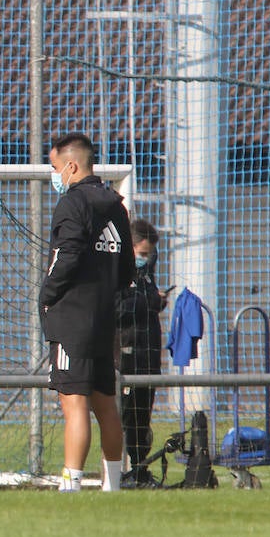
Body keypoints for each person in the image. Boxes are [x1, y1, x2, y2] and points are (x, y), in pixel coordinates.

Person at [40, 133, 134, 492]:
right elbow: (127, 269)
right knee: (105, 404)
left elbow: (67, 256)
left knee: (74, 402)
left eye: (53, 167)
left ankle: (72, 483)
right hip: (104, 320)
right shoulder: (115, 204)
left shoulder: (73, 203)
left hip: (73, 319)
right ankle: (112, 486)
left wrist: (47, 296)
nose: (54, 175)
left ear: (71, 166)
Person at [117, 218, 168, 488]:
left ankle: (138, 470)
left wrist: (157, 302)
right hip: (127, 357)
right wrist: (151, 301)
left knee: (142, 419)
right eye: (142, 253)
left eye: (149, 255)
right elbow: (118, 309)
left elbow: (143, 306)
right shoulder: (117, 272)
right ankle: (118, 473)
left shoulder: (146, 273)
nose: (145, 260)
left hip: (149, 356)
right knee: (125, 417)